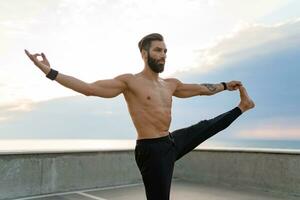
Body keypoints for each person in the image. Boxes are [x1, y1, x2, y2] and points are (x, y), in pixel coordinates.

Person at [25, 33, 255, 200]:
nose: (163, 55)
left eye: (165, 51)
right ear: (144, 53)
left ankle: (242, 106)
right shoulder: (129, 82)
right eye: (158, 50)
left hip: (170, 141)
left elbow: (202, 89)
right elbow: (89, 88)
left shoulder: (171, 84)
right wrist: (49, 71)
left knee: (206, 127)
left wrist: (225, 85)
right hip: (151, 150)